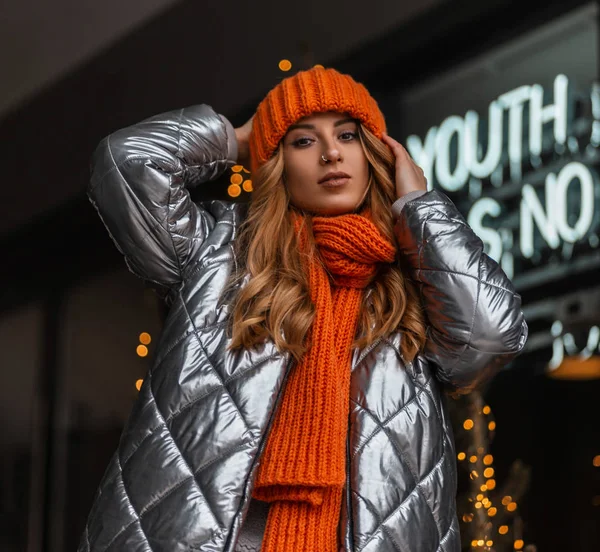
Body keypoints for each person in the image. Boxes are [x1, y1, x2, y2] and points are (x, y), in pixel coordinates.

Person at [79, 67, 527, 552]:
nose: (332, 153)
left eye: (348, 135)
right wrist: (235, 139)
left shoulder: (413, 283)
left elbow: (492, 335)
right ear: (275, 161)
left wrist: (419, 205)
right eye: (303, 141)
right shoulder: (221, 253)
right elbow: (125, 162)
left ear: (375, 153)